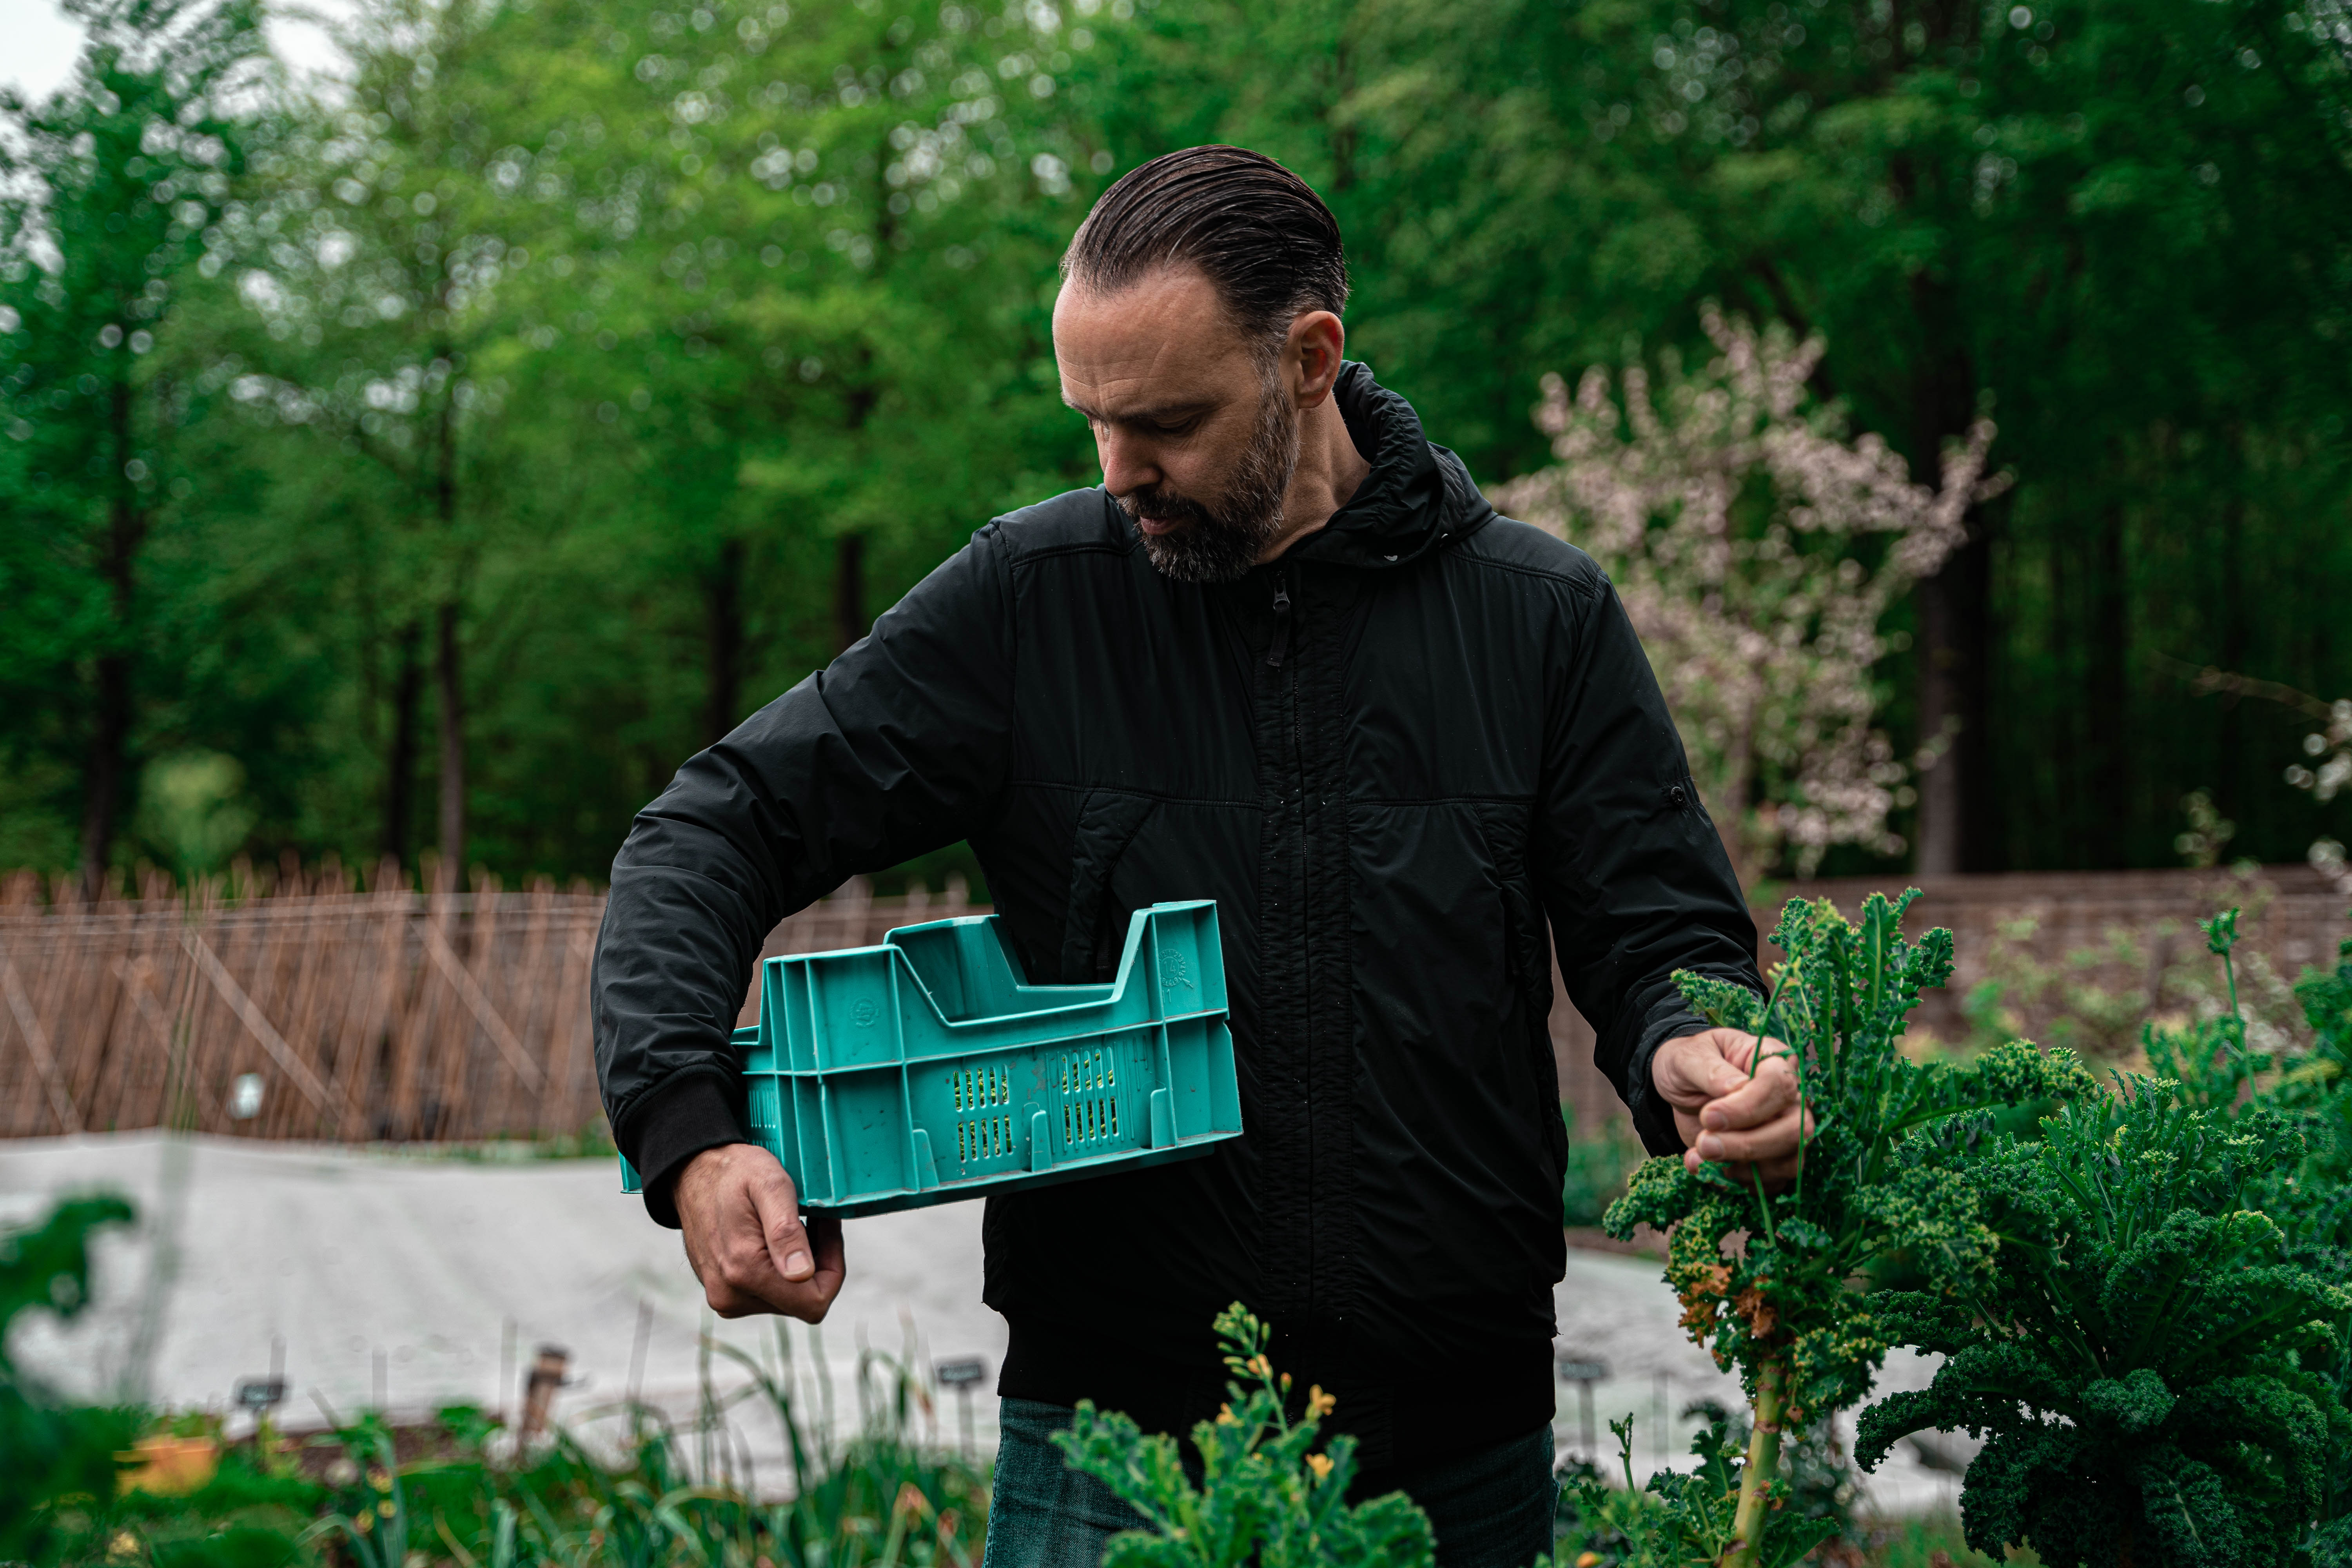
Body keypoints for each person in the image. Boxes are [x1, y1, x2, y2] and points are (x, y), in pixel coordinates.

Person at [591, 145, 1803, 1568]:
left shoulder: (1535, 619)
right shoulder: (1033, 602)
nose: (1120, 473)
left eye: (1165, 421)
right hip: (1110, 1461)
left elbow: (1660, 932)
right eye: (1092, 422)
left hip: (1460, 1455)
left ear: (1309, 359)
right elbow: (713, 825)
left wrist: (1694, 1046)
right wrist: (687, 1126)